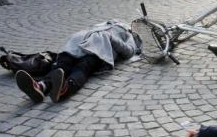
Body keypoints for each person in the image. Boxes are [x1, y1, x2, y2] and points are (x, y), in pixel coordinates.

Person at [14, 20, 142, 104]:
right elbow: (90, 28)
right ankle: (41, 86)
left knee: (83, 67)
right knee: (63, 63)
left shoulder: (128, 34)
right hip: (79, 42)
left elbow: (129, 52)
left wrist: (110, 38)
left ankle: (65, 88)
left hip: (99, 49)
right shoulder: (106, 23)